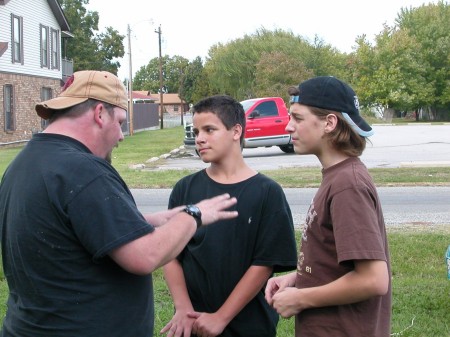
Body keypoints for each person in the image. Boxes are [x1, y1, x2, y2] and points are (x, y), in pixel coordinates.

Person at [0, 70, 238, 337]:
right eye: (121, 122)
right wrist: (194, 214)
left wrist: (152, 221)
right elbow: (144, 257)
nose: (122, 136)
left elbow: (74, 229)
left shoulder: (25, 163)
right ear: (100, 113)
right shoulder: (83, 170)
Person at [265, 76, 392, 337]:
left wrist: (301, 298)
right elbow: (334, 263)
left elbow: (373, 279)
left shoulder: (348, 185)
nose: (289, 126)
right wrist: (298, 278)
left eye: (298, 118)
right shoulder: (338, 176)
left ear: (329, 123)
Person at [161, 95, 297, 337]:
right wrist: (183, 309)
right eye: (196, 130)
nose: (199, 138)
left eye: (209, 129)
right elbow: (170, 254)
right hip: (193, 322)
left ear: (236, 131)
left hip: (249, 325)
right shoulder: (185, 189)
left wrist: (221, 317)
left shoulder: (267, 192)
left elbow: (264, 263)